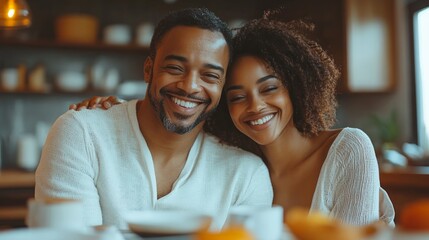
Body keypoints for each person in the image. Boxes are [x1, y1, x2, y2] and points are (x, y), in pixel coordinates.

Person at [75, 9, 395, 227]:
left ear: (296, 86)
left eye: (269, 89)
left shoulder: (348, 148)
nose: (254, 106)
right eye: (237, 96)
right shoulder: (240, 162)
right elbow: (183, 107)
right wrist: (118, 111)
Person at [35, 8, 273, 230]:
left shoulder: (247, 175)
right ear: (148, 69)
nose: (190, 87)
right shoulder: (81, 134)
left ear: (222, 87)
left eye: (210, 75)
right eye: (175, 68)